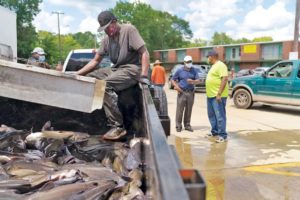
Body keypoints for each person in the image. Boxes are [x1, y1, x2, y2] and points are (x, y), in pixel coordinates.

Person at [76, 11, 150, 140]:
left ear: (114, 22)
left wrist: (144, 75)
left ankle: (118, 126)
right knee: (89, 78)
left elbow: (144, 53)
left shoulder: (129, 30)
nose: (107, 31)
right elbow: (95, 61)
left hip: (132, 69)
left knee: (103, 85)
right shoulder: (106, 40)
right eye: (104, 29)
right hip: (116, 69)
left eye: (108, 27)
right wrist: (76, 75)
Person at [171, 55, 201, 132]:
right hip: (182, 92)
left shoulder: (194, 70)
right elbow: (173, 80)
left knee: (189, 110)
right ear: (184, 62)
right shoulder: (179, 70)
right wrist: (176, 87)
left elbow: (198, 80)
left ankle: (187, 125)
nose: (189, 63)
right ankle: (178, 126)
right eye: (187, 62)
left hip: (191, 92)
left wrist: (193, 81)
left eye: (190, 61)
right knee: (180, 110)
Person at [205, 50, 229, 143]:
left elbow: (225, 78)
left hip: (218, 96)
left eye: (208, 57)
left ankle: (222, 135)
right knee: (212, 115)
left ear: (212, 56)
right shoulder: (213, 66)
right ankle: (214, 132)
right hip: (210, 96)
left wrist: (219, 93)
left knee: (220, 116)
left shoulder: (221, 65)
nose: (208, 59)